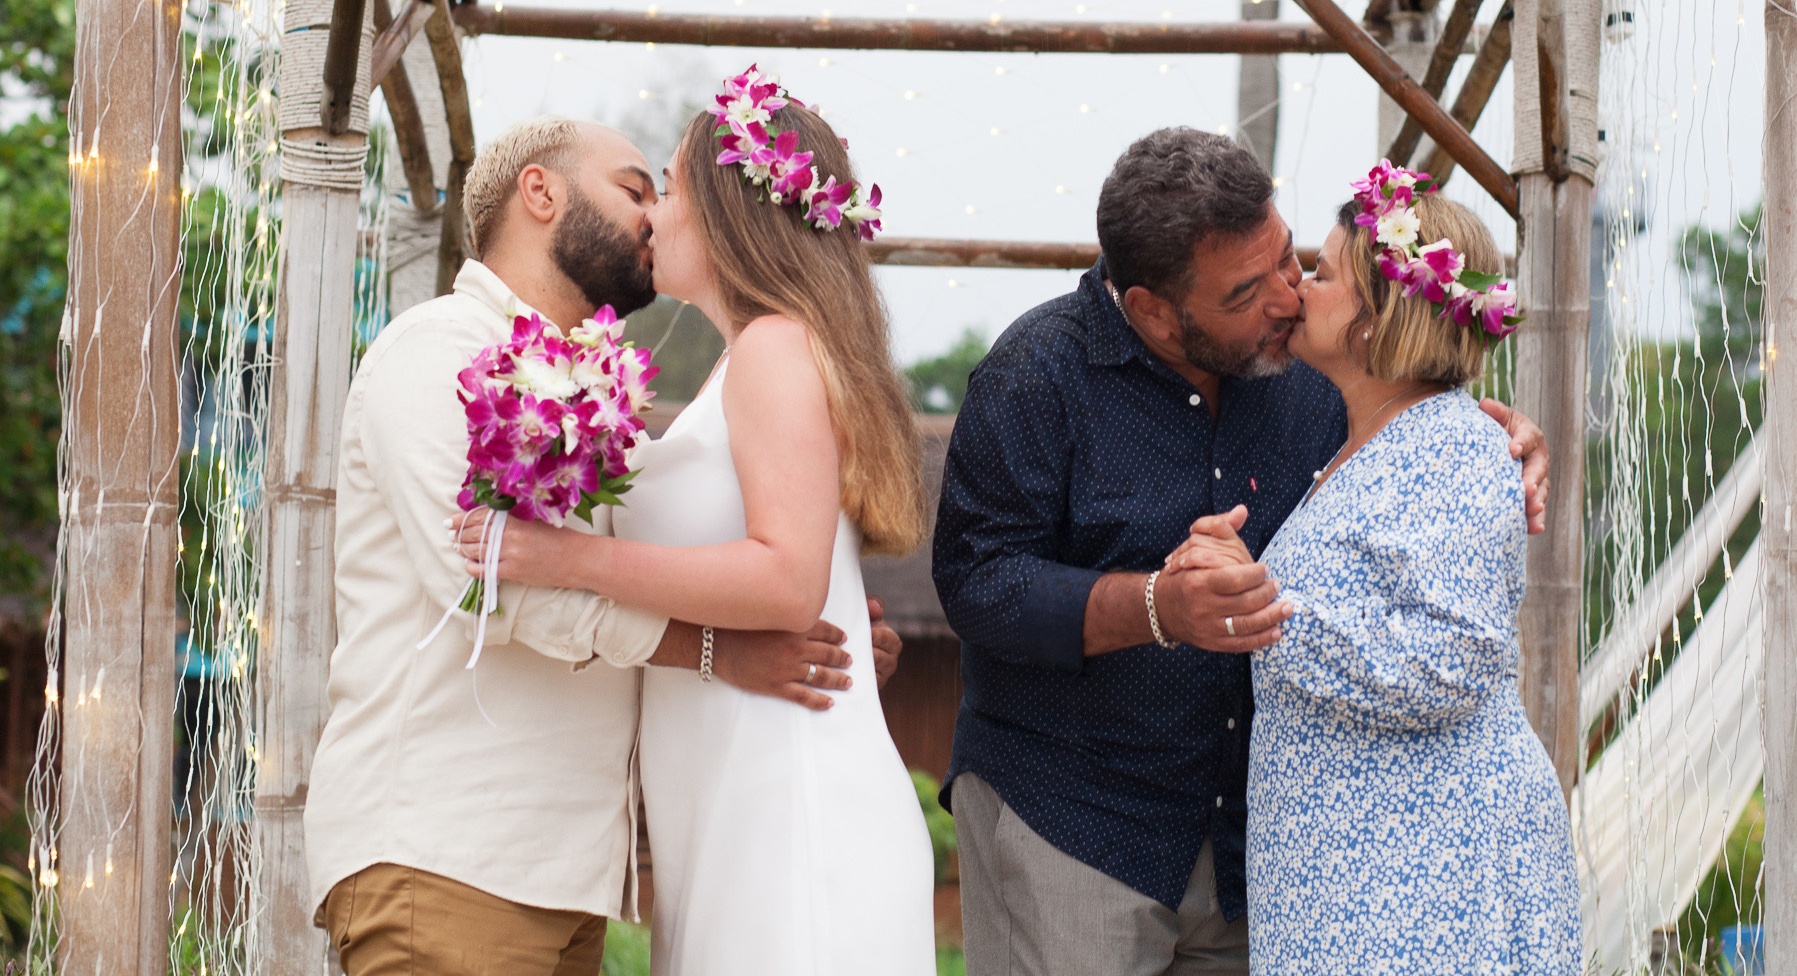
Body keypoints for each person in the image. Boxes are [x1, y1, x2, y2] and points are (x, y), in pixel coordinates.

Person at [930, 128, 1551, 976]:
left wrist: (1490, 429)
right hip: (1077, 820)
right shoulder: (1035, 376)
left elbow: (1406, 430)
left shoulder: (1310, 377)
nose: (1288, 299)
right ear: (1151, 306)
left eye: (1294, 264)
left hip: (1255, 859)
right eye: (1247, 290)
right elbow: (978, 582)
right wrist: (1159, 605)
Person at [305, 115, 897, 976]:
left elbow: (699, 552)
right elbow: (489, 587)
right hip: (447, 852)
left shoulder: (603, 395)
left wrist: (822, 622)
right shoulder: (438, 352)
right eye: (633, 188)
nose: (652, 215)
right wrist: (717, 651)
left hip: (566, 880)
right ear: (539, 192)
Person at [451, 72, 936, 975]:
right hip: (730, 802)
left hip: (790, 813)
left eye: (668, 188)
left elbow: (786, 580)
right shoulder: (754, 358)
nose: (654, 215)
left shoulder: (774, 349)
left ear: (724, 217)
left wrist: (566, 558)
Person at [1167, 168, 1581, 973]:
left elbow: (1446, 661)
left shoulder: (1452, 446)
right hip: (1364, 866)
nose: (1296, 293)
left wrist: (1258, 603)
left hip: (1426, 870)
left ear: (1377, 319)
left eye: (1321, 274)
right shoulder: (1366, 438)